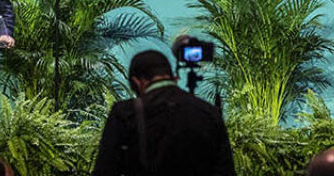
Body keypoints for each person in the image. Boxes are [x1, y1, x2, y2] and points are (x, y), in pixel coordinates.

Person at [92, 49, 235, 176]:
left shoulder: (124, 113)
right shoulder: (210, 112)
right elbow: (225, 170)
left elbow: (105, 169)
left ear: (137, 82)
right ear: (173, 77)